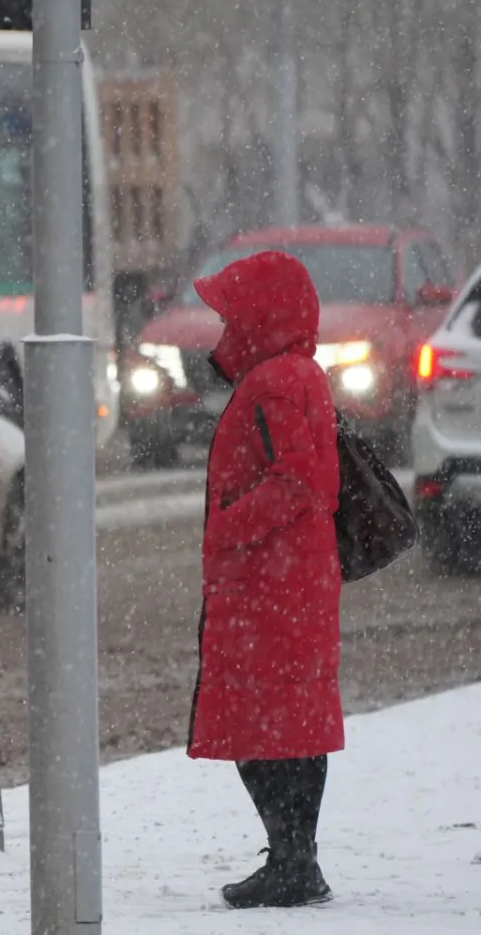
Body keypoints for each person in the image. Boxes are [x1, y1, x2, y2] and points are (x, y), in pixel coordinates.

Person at [186, 250, 343, 909]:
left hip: (269, 582)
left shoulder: (273, 382)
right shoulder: (298, 372)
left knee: (262, 728)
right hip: (294, 576)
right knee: (292, 720)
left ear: (261, 315)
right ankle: (296, 859)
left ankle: (292, 861)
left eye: (231, 313)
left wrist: (227, 526)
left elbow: (295, 478)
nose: (222, 329)